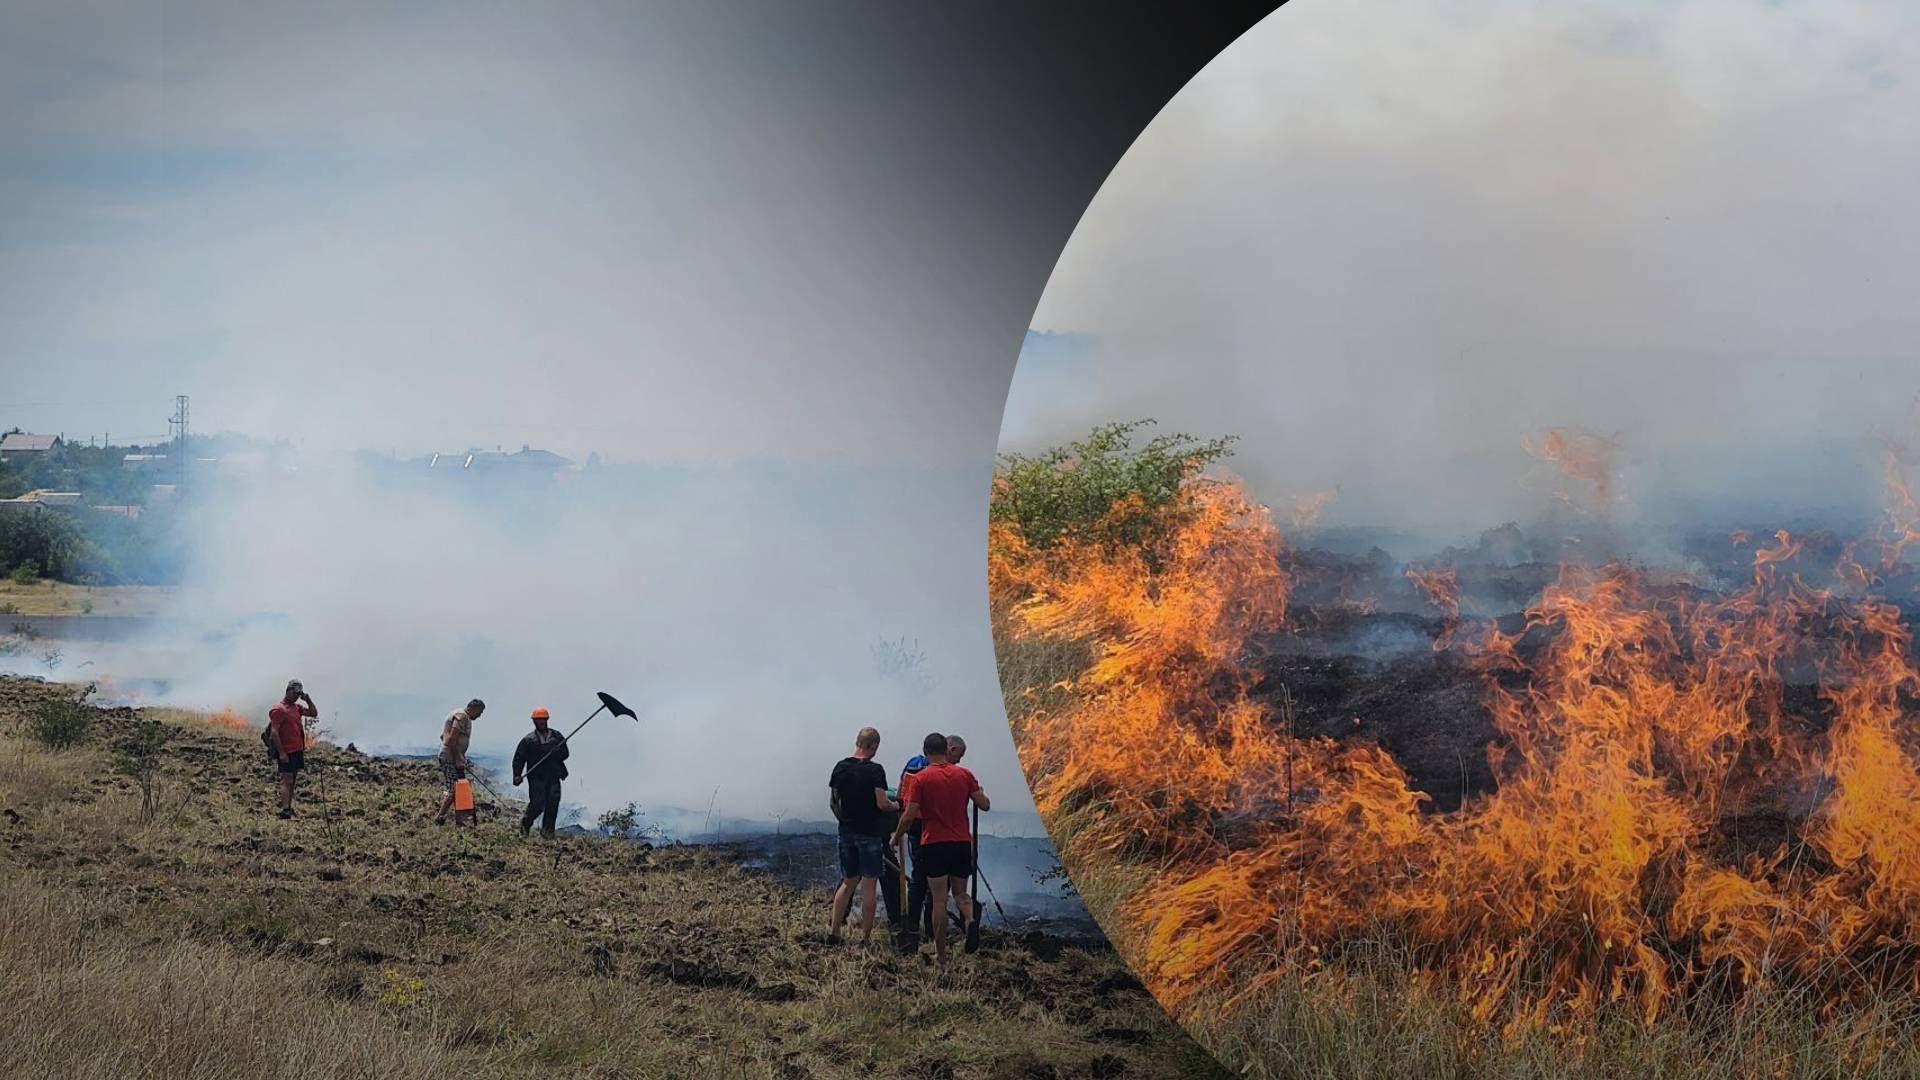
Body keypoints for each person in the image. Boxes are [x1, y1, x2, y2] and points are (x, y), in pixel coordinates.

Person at [892, 732, 989, 966]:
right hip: (961, 843)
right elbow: (984, 805)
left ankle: (942, 956)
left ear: (926, 752)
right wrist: (979, 792)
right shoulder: (965, 774)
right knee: (960, 893)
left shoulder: (921, 778)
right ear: (947, 749)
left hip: (934, 843)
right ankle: (969, 920)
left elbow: (910, 814)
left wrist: (897, 836)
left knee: (938, 900)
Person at [828, 726, 898, 944]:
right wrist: (896, 805)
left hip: (846, 832)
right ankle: (865, 939)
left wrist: (845, 821)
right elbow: (882, 803)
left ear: (857, 742)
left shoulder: (840, 767)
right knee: (869, 886)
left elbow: (833, 802)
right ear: (874, 746)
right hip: (869, 833)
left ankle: (834, 933)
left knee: (848, 882)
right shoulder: (875, 770)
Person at [511, 706, 569, 838]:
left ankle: (548, 833)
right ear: (534, 721)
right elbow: (519, 759)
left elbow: (566, 754)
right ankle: (526, 822)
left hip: (554, 775)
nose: (542, 722)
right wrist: (517, 775)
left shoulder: (557, 737)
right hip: (537, 777)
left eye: (544, 719)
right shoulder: (528, 740)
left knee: (552, 804)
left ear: (547, 720)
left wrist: (556, 752)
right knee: (538, 804)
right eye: (539, 720)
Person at [898, 753, 935, 944]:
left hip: (915, 828)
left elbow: (900, 795)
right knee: (929, 880)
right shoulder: (935, 772)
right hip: (927, 828)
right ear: (949, 749)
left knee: (921, 878)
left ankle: (914, 927)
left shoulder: (912, 764)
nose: (959, 760)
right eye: (959, 755)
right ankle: (924, 929)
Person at [267, 679, 318, 819]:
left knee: (293, 780)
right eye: (295, 693)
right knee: (286, 779)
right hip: (286, 751)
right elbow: (274, 732)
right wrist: (282, 753)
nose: (296, 696)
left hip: (297, 750)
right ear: (288, 691)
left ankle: (289, 808)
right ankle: (285, 810)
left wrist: (308, 699)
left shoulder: (297, 708)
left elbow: (313, 713)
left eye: (298, 694)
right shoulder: (278, 710)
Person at [433, 698, 485, 825]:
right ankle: (439, 818)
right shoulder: (462, 716)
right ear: (474, 708)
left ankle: (459, 820)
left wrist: (461, 755)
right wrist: (458, 758)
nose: (480, 716)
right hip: (450, 759)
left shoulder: (457, 714)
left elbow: (443, 736)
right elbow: (452, 739)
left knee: (458, 788)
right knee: (453, 790)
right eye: (479, 712)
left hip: (451, 756)